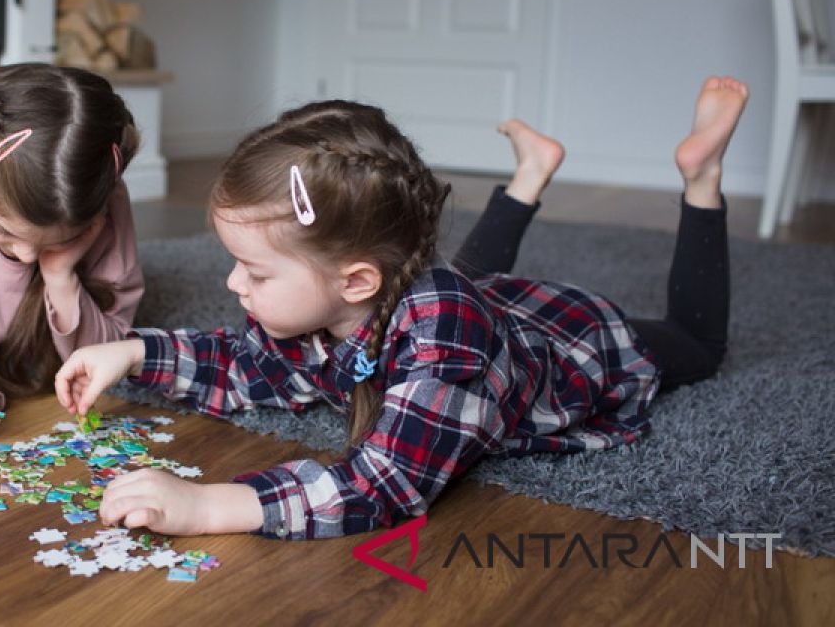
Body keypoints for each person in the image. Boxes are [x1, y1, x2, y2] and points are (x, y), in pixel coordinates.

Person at [54, 76, 748, 540]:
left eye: (255, 271)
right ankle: (531, 174)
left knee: (696, 342)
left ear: (355, 281)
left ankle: (701, 176)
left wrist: (210, 504)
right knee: (463, 278)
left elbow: (385, 483)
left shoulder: (449, 342)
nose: (234, 285)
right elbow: (243, 366)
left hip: (567, 344)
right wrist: (135, 351)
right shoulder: (347, 295)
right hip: (460, 308)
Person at [0, 63, 144, 444]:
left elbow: (107, 354)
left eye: (60, 239)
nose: (28, 256)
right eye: (5, 230)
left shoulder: (107, 203)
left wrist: (61, 277)